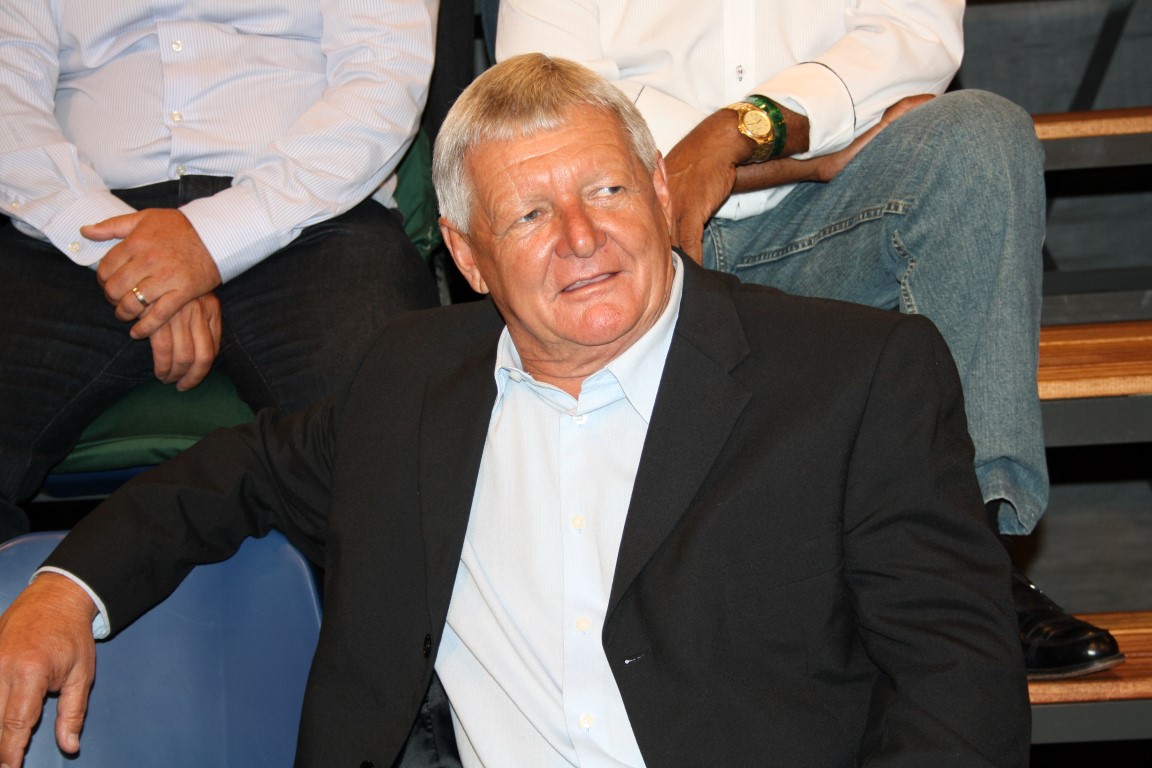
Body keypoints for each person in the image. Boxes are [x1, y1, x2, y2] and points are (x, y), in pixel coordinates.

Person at [0, 54, 1029, 767]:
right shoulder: (408, 383)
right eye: (532, 213)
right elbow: (229, 475)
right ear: (467, 255)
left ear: (659, 192)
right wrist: (63, 591)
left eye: (608, 192)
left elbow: (959, 694)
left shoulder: (857, 378)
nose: (581, 237)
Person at [494, 0, 1124, 680]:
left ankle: (970, 568)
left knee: (982, 133)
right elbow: (544, 103)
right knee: (562, 212)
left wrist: (741, 132)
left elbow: (912, 34)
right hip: (630, 229)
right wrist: (791, 158)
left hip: (834, 211)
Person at [0, 0, 442, 540]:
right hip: (75, 224)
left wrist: (210, 240)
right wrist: (135, 257)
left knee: (395, 461)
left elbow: (384, 74)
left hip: (309, 210)